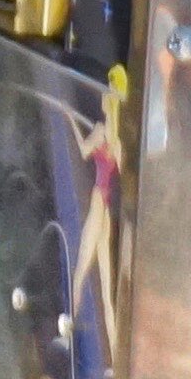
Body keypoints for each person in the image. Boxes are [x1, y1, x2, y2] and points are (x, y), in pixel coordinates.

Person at [70, 70, 125, 346]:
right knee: (105, 288)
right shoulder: (119, 142)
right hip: (107, 205)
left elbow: (83, 150)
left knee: (82, 269)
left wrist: (70, 118)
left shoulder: (102, 131)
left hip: (98, 202)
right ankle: (114, 354)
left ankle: (69, 327)